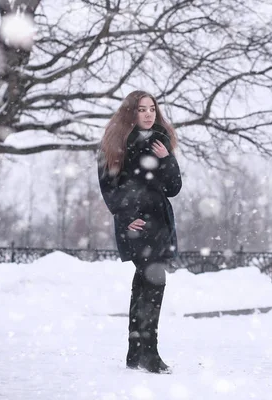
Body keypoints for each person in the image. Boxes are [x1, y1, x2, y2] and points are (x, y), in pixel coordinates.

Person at [97, 90, 182, 374]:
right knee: (154, 283)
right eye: (142, 109)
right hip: (136, 225)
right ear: (130, 113)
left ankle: (136, 353)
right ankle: (149, 352)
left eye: (152, 109)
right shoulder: (116, 143)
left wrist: (168, 157)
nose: (148, 114)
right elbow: (110, 186)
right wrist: (126, 216)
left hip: (160, 223)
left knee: (145, 285)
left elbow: (173, 188)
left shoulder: (161, 142)